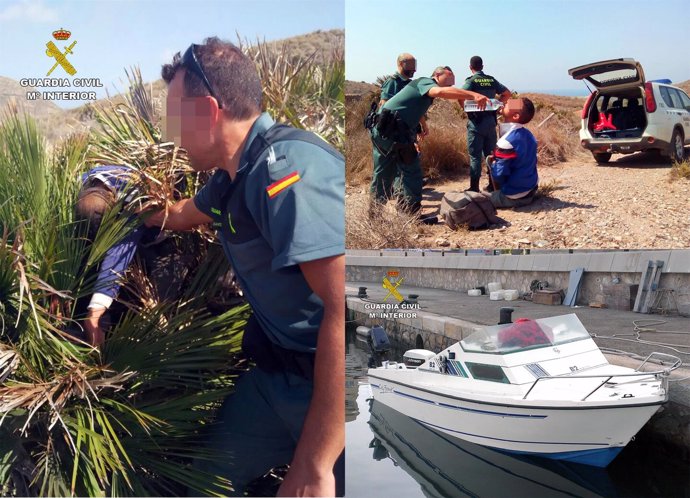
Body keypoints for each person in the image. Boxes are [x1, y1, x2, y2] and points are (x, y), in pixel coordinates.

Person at [148, 37, 344, 497]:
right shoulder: (231, 178)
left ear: (209, 111)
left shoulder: (288, 174)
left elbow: (347, 310)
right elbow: (180, 215)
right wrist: (125, 211)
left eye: (177, 116)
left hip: (334, 390)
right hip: (276, 381)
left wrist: (315, 467)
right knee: (202, 482)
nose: (172, 133)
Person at [369, 66, 489, 216]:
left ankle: (375, 215)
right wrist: (473, 95)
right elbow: (439, 91)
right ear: (437, 75)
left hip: (384, 131)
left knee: (384, 173)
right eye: (449, 75)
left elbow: (412, 107)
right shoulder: (425, 82)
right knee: (410, 171)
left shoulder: (421, 88)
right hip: (392, 133)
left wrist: (422, 125)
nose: (453, 80)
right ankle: (410, 213)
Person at [461, 55, 512, 192]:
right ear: (482, 67)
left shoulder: (471, 81)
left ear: (470, 67)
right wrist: (497, 104)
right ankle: (493, 185)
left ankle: (474, 188)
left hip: (476, 123)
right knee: (491, 155)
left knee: (475, 156)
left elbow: (460, 95)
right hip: (491, 122)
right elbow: (507, 93)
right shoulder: (491, 80)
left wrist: (466, 108)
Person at [486, 98, 538, 208]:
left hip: (515, 195)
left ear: (515, 116)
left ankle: (502, 195)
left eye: (508, 105)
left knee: (480, 200)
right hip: (531, 189)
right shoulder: (529, 135)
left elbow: (499, 175)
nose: (504, 103)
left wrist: (493, 164)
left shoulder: (506, 141)